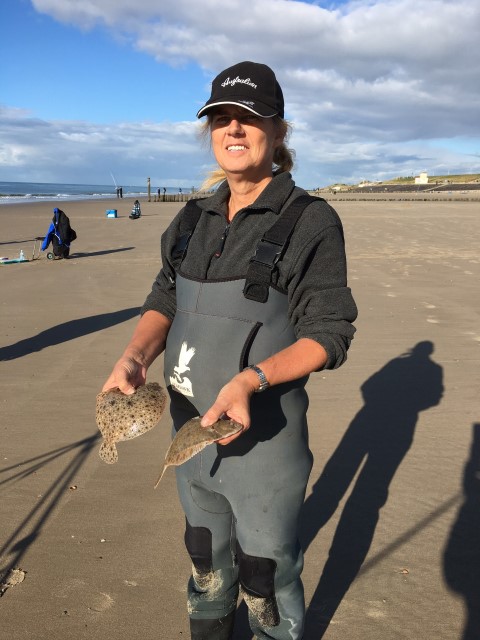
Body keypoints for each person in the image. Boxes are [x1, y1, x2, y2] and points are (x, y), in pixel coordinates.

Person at [102, 61, 357, 640]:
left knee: (265, 576)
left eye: (250, 117)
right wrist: (135, 356)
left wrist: (250, 381)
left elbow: (329, 333)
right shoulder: (191, 219)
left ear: (279, 130)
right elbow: (164, 297)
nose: (234, 129)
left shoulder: (310, 221)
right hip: (188, 437)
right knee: (205, 561)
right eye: (221, 118)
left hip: (263, 445)